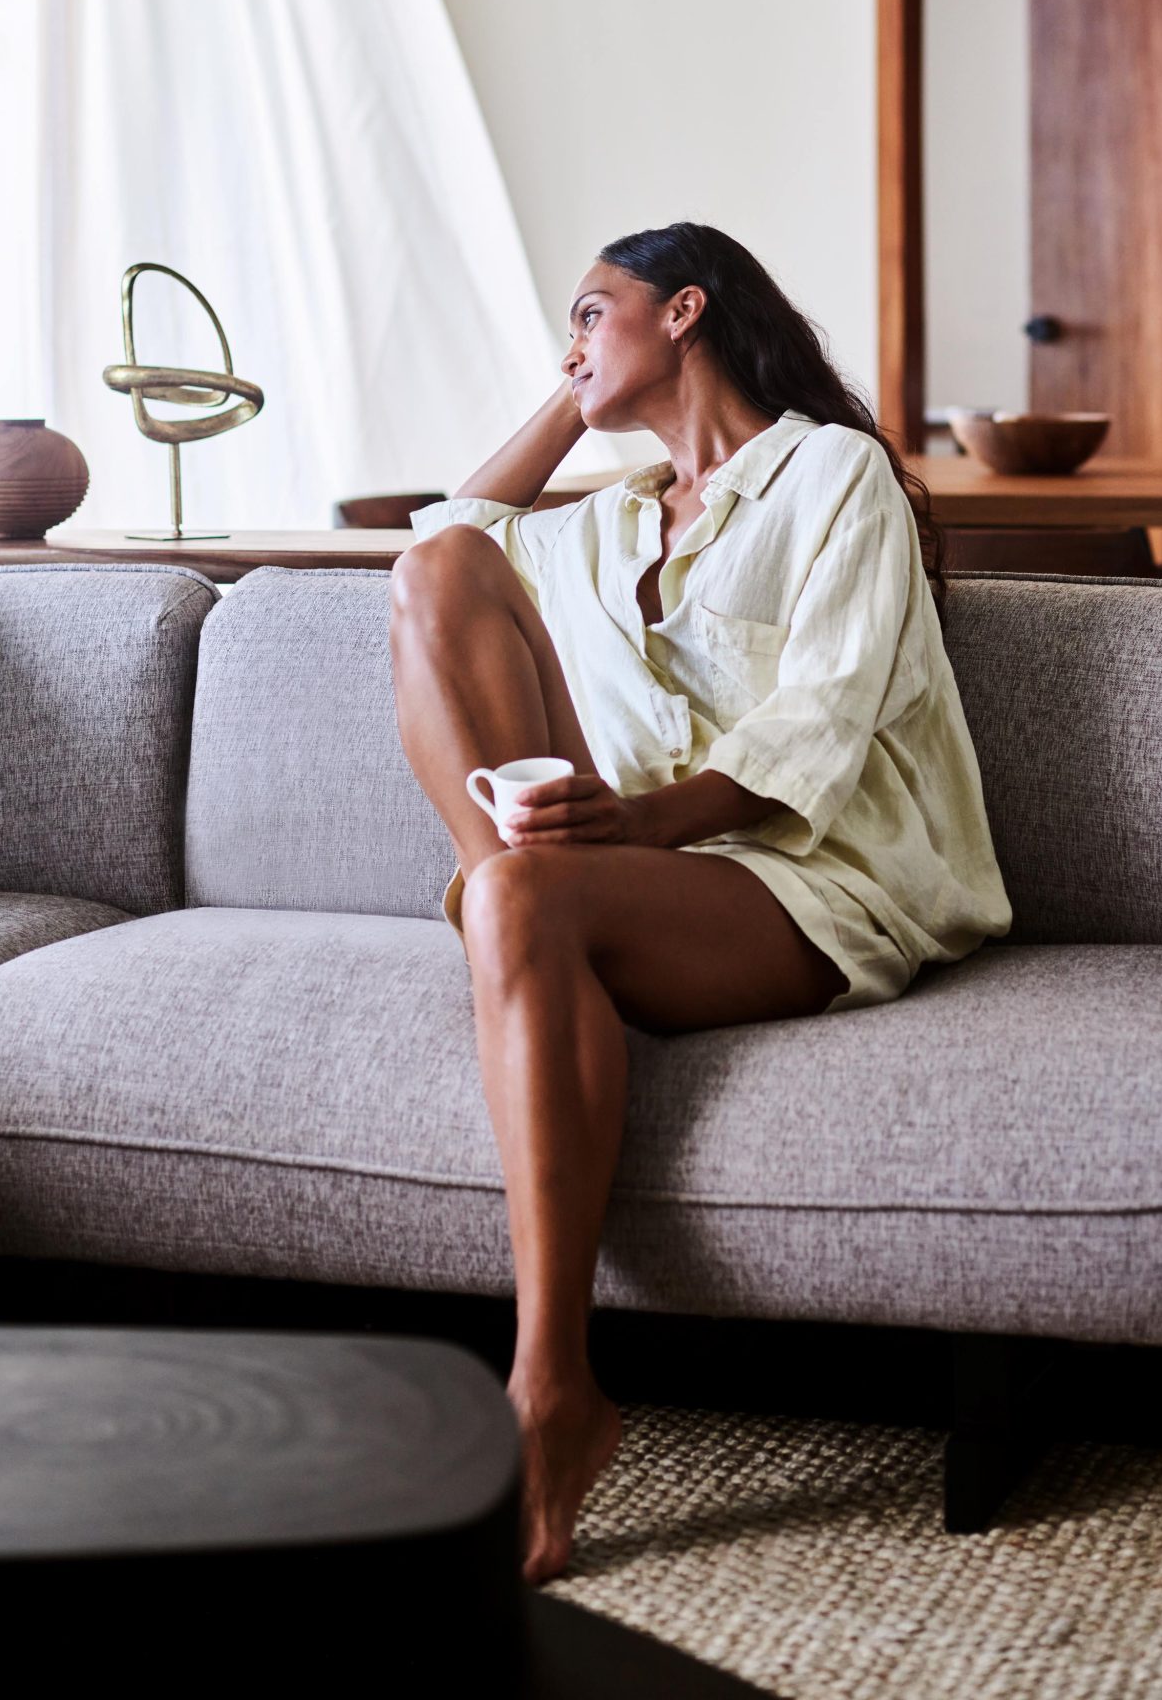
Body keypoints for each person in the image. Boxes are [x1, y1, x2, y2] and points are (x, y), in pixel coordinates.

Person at [389, 222, 1010, 1581]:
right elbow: (440, 551)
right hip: (641, 873)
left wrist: (637, 824)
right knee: (439, 591)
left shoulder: (834, 474)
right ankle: (522, 923)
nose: (568, 345)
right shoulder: (607, 521)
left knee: (517, 903)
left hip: (813, 879)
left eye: (590, 313)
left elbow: (824, 718)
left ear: (684, 311)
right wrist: (576, 393)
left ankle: (548, 1388)